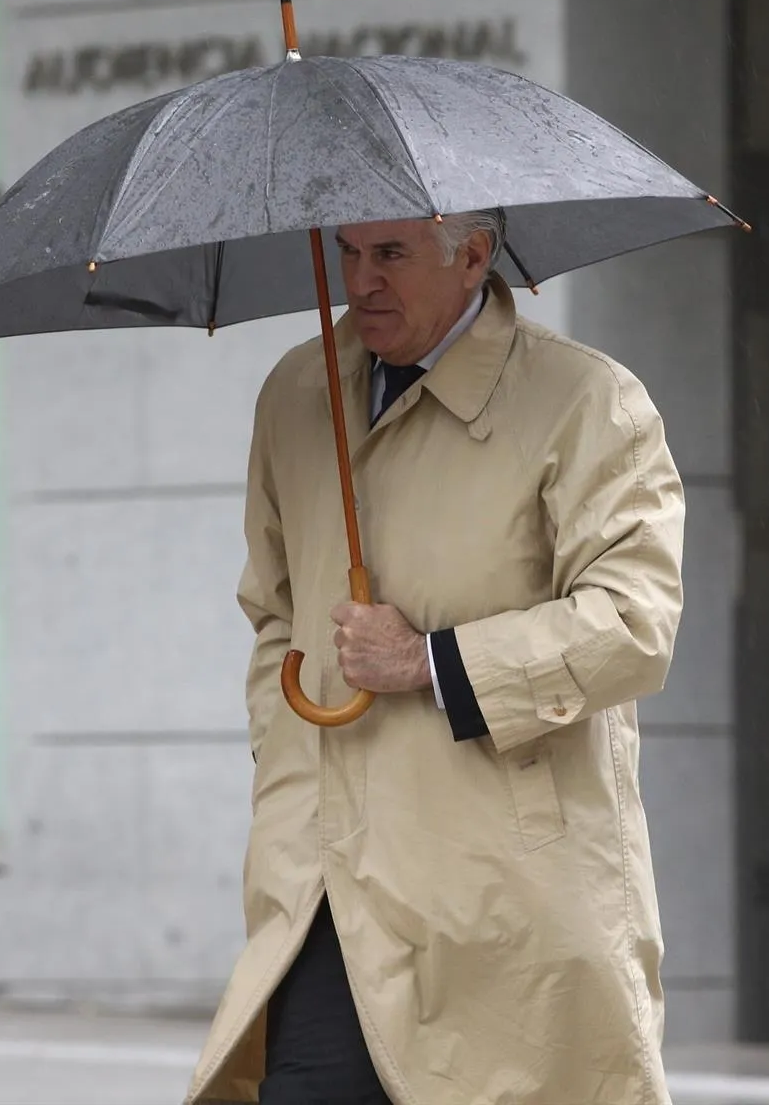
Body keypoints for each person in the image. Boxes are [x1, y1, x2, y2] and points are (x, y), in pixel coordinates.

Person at [187, 210, 685, 1104]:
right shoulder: (299, 395)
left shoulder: (586, 401)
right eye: (346, 252)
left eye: (390, 255)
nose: (360, 280)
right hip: (329, 883)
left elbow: (634, 624)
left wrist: (430, 662)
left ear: (474, 256)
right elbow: (275, 616)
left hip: (505, 891)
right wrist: (287, 768)